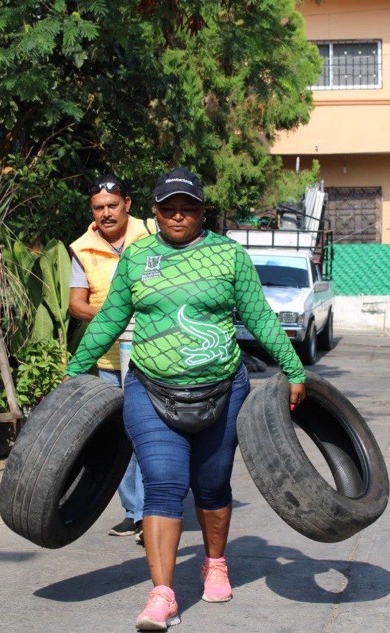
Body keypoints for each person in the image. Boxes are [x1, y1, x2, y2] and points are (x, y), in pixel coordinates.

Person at [65, 166, 306, 630]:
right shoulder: (138, 258)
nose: (178, 216)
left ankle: (215, 562)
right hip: (150, 386)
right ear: (154, 211)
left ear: (201, 211)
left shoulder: (229, 256)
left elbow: (259, 318)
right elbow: (110, 319)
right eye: (169, 207)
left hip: (222, 387)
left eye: (188, 207)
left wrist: (293, 369)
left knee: (213, 484)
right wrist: (76, 371)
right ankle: (162, 594)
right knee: (164, 484)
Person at [69, 173, 152, 539]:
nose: (106, 213)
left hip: (153, 355)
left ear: (128, 204)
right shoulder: (83, 248)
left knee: (147, 432)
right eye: (99, 207)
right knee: (119, 437)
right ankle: (133, 511)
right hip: (108, 359)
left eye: (112, 206)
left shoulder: (153, 235)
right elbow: (76, 304)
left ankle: (154, 513)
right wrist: (111, 318)